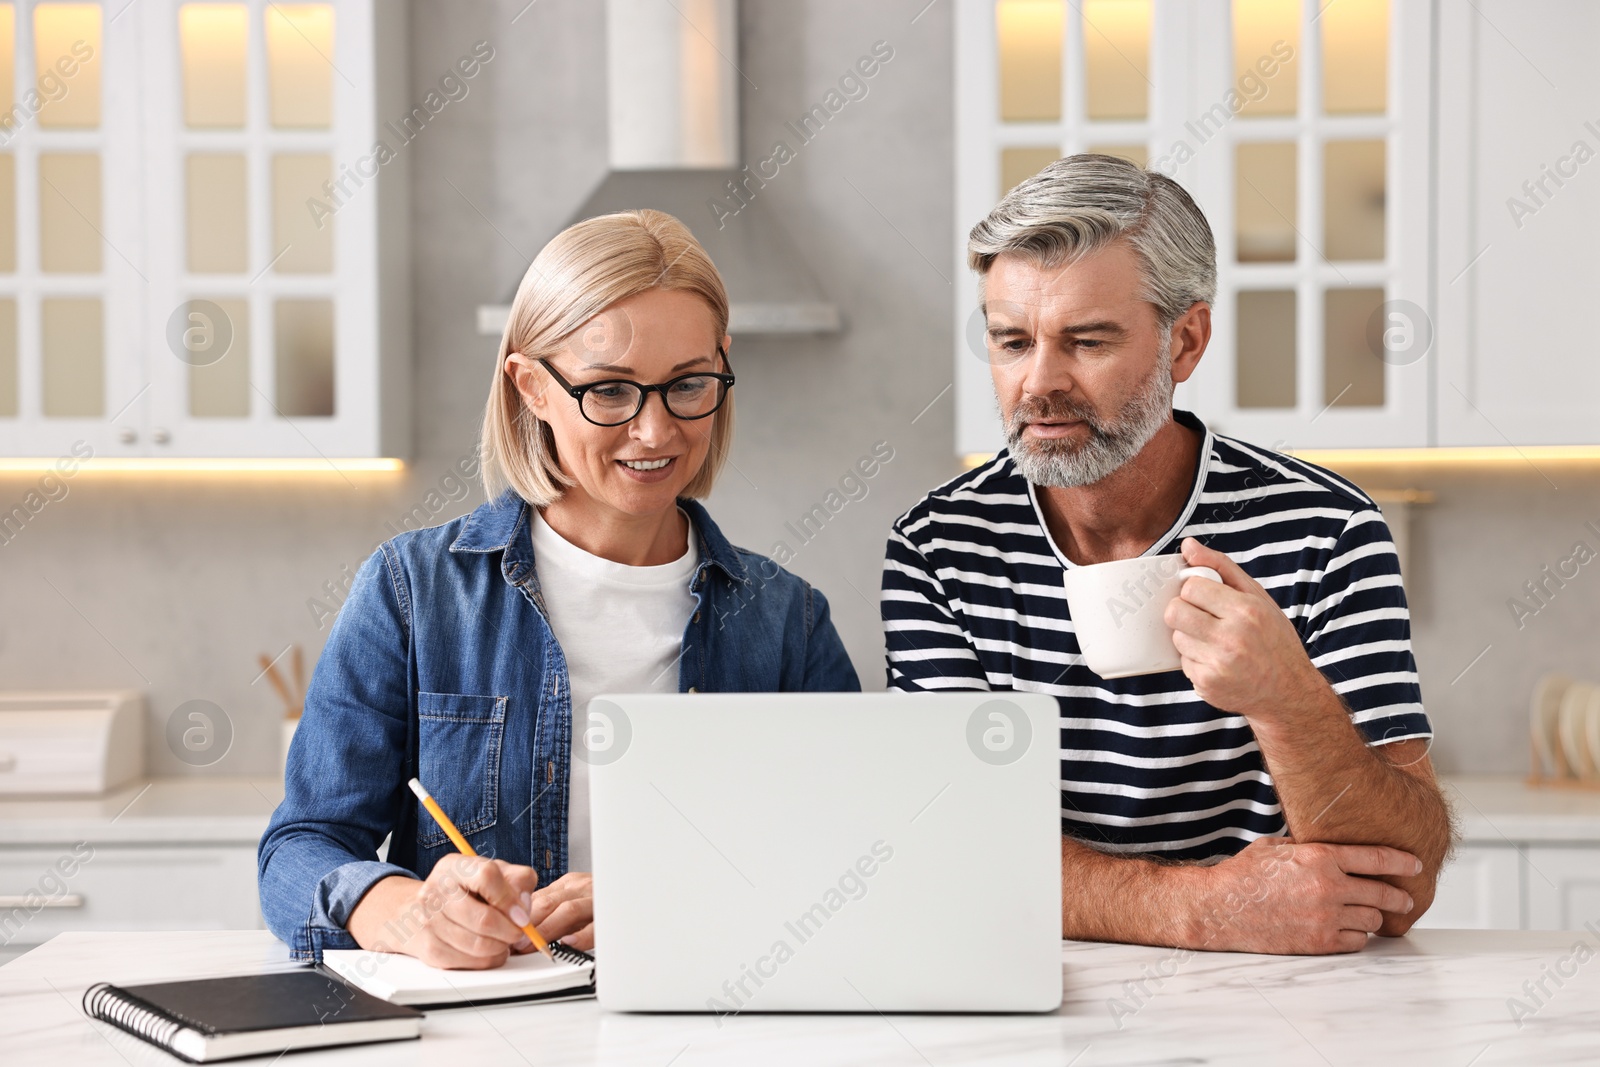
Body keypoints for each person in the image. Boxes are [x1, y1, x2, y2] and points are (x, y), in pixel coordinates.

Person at [881, 155, 1453, 955]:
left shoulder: (1326, 529)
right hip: (1038, 995)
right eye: (1011, 342)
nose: (1038, 382)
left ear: (1185, 342)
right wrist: (1200, 907)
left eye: (1086, 340)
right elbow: (952, 847)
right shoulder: (940, 550)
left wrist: (1286, 699)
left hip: (1286, 1001)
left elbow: (1405, 877)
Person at [260, 209, 859, 967]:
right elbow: (299, 849)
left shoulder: (788, 622)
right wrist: (407, 911)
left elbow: (850, 863)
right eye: (610, 391)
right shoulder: (412, 593)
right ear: (531, 386)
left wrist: (672, 895)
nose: (654, 431)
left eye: (688, 385)